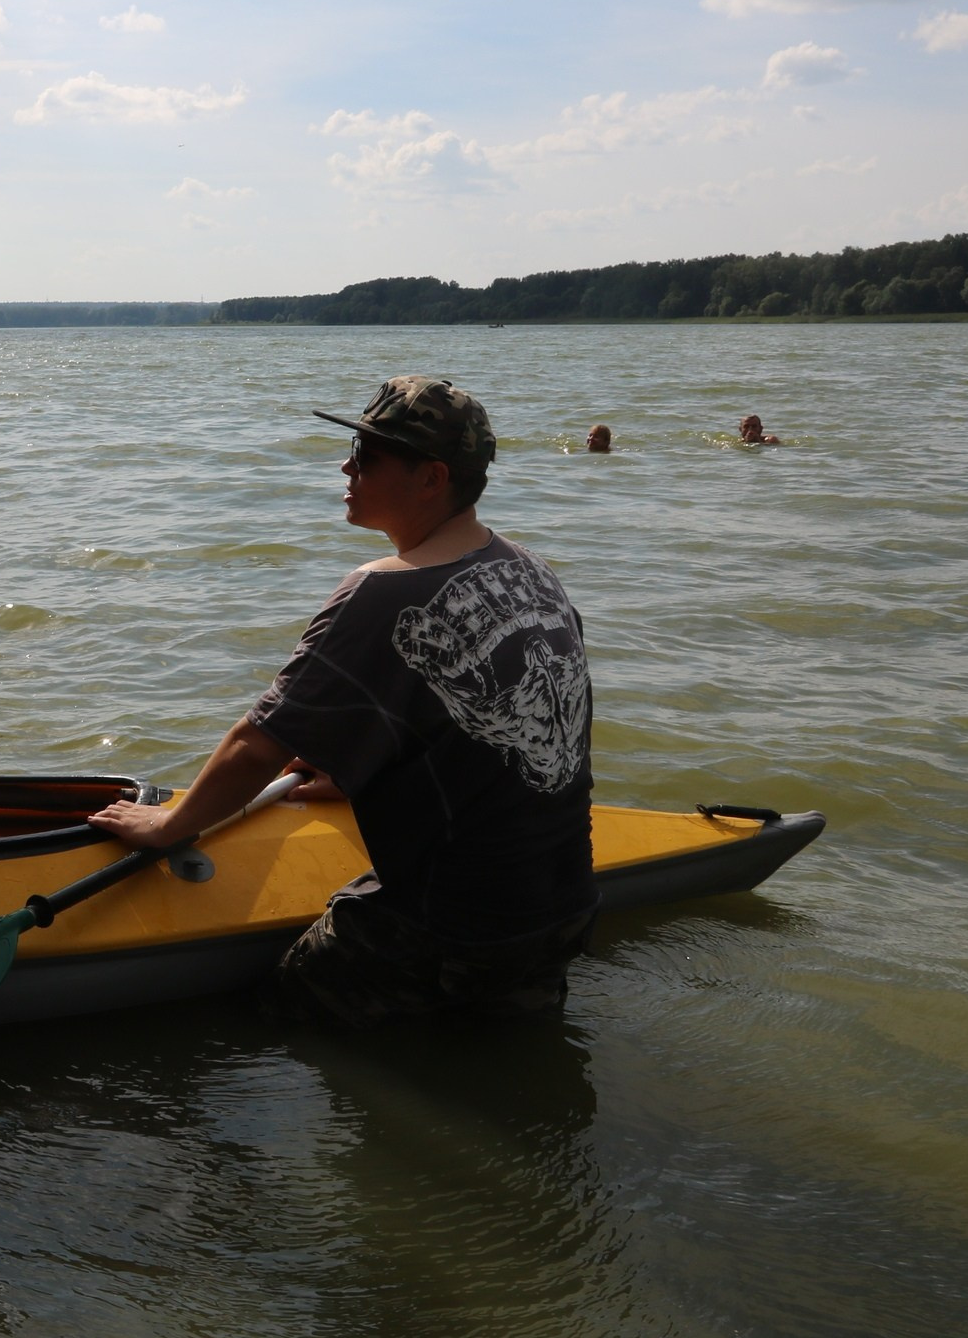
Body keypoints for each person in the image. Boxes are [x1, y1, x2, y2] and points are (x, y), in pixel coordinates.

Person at [91, 375, 598, 1028]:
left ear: (431, 478)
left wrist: (168, 826)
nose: (346, 466)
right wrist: (355, 768)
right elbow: (490, 735)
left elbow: (256, 746)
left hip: (453, 929)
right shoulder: (532, 570)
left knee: (274, 1016)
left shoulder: (383, 591)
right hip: (564, 912)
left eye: (367, 454)